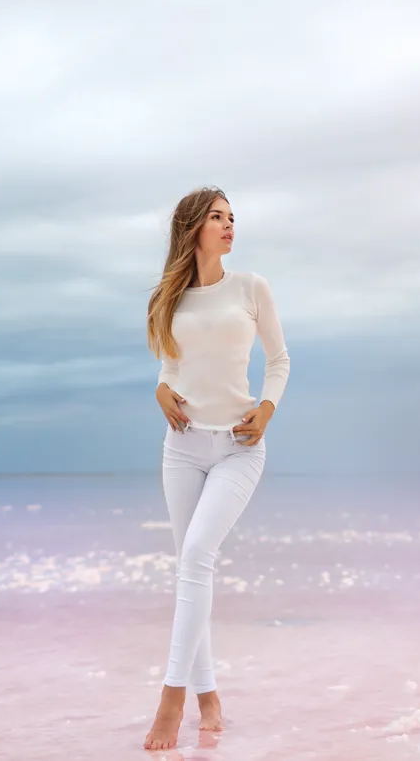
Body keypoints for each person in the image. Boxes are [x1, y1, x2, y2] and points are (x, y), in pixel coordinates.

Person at [141, 186, 291, 751]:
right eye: (217, 217)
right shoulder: (170, 298)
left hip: (238, 447)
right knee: (189, 568)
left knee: (197, 556)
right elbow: (169, 364)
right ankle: (208, 696)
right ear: (192, 228)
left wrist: (268, 410)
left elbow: (278, 359)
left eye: (232, 217)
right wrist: (161, 389)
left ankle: (171, 698)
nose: (229, 225)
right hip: (181, 447)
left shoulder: (251, 288)